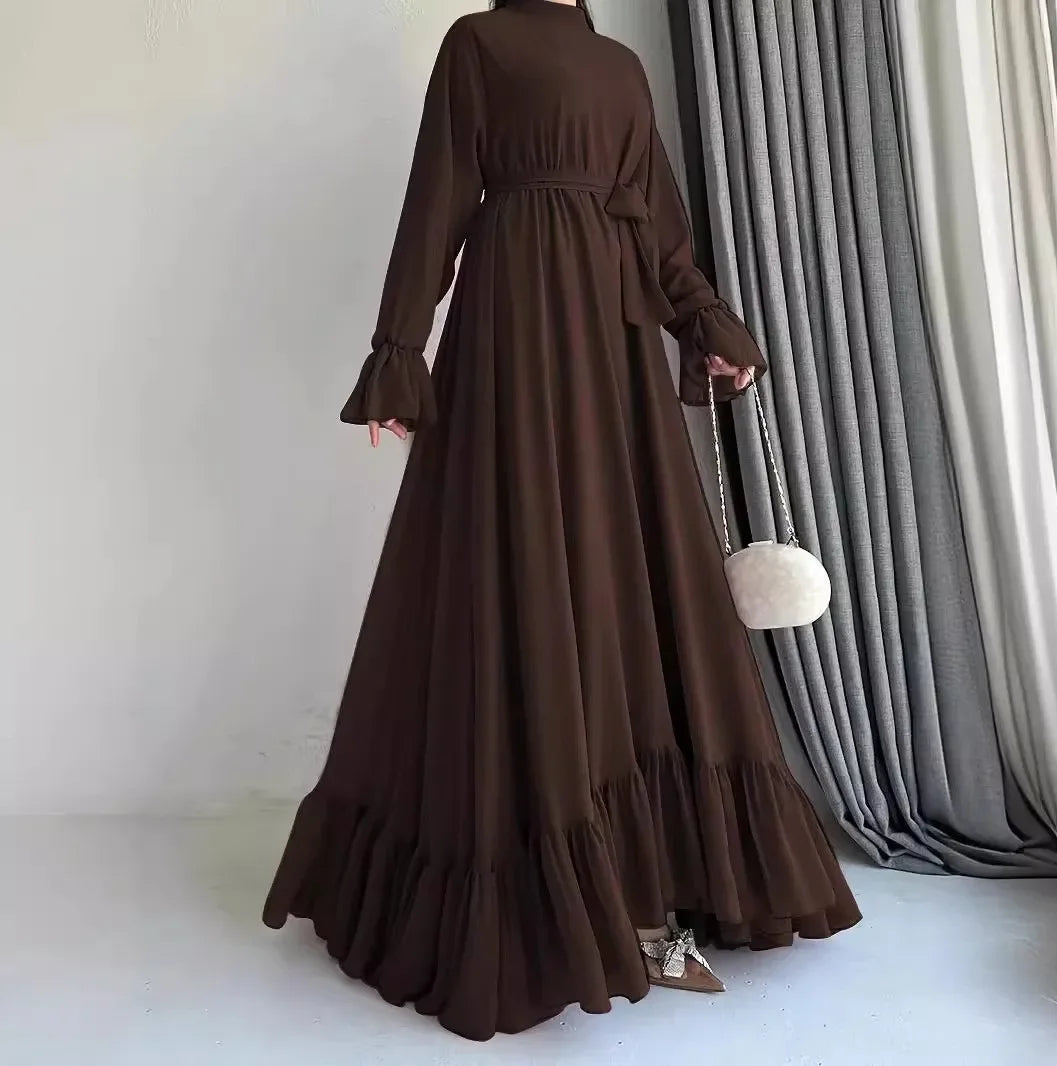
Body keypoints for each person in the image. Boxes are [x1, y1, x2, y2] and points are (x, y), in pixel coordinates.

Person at [263, 0, 860, 1041]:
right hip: (516, 333)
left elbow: (655, 218)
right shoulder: (478, 43)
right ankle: (566, 892)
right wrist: (399, 352)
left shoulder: (618, 67)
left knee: (621, 579)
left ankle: (646, 885)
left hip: (612, 347)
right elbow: (440, 196)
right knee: (529, 564)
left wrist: (707, 324)